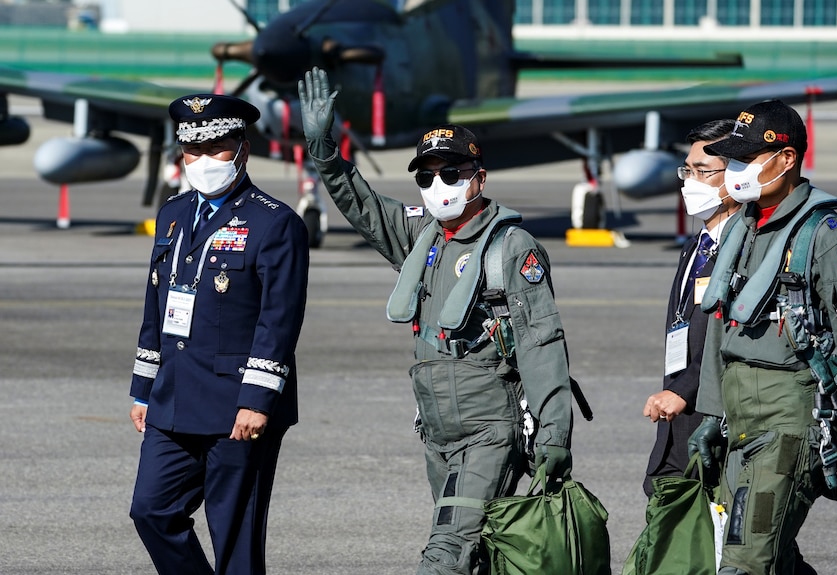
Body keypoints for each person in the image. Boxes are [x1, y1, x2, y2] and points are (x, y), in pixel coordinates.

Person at [298, 67, 574, 575]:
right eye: (426, 175)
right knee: (480, 554)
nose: (438, 184)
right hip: (437, 432)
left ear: (479, 178)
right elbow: (362, 207)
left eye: (452, 172)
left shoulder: (512, 249)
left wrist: (555, 430)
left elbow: (541, 342)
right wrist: (324, 151)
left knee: (444, 554)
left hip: (489, 430)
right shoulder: (421, 239)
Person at [128, 93, 310, 575]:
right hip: (173, 396)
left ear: (242, 149)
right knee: (151, 510)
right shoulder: (172, 215)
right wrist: (143, 389)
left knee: (236, 541)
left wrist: (256, 399)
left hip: (238, 405)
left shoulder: (274, 222)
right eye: (194, 150)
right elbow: (156, 306)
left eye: (216, 149)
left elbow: (280, 320)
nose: (204, 161)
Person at [689, 99, 837, 575]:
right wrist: (711, 414)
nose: (737, 170)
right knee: (773, 558)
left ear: (786, 159)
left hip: (790, 416)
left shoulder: (827, 237)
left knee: (744, 562)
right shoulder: (742, 229)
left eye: (747, 159)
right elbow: (721, 327)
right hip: (739, 414)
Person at [641, 119, 739, 497]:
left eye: (703, 171)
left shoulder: (745, 248)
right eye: (687, 170)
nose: (690, 181)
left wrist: (684, 390)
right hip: (679, 412)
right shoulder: (696, 243)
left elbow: (727, 339)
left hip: (717, 415)